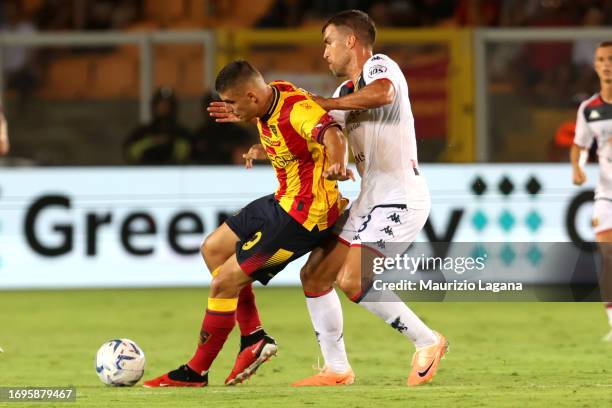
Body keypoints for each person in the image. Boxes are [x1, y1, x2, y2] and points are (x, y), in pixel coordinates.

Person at [143, 60, 353, 387]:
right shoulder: (273, 94)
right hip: (283, 200)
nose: (229, 110)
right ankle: (253, 338)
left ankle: (196, 371)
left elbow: (332, 134)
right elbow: (294, 144)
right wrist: (262, 148)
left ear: (253, 97)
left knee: (223, 283)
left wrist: (338, 163)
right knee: (213, 249)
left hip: (303, 217)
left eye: (232, 102)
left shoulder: (296, 109)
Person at [291, 10, 448, 386]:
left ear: (351, 41)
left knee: (353, 279)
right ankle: (337, 369)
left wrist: (325, 106)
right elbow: (329, 138)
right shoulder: (343, 94)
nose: (324, 52)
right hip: (368, 197)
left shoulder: (381, 67)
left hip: (401, 197)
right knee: (315, 275)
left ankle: (428, 341)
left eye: (328, 42)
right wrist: (263, 141)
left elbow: (383, 95)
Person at [571, 41, 612, 341]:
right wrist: (578, 167)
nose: (607, 64)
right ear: (595, 65)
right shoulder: (589, 109)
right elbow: (579, 145)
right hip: (607, 194)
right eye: (602, 60)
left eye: (611, 59)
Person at [124, 87, 193, 165]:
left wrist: (170, 142)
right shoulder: (142, 132)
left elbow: (188, 152)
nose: (164, 108)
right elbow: (131, 152)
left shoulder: (182, 132)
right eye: (161, 104)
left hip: (175, 172)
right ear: (154, 106)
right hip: (146, 172)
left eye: (167, 105)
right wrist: (152, 142)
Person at [191, 91, 255, 164]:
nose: (213, 110)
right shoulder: (199, 135)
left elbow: (249, 158)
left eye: (218, 106)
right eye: (209, 107)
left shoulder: (241, 135)